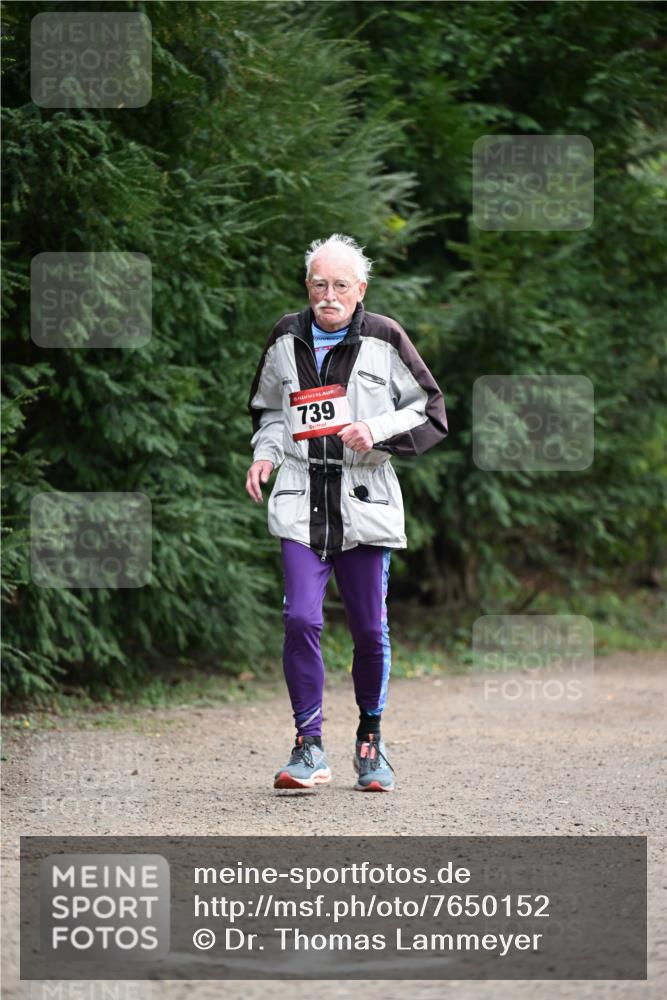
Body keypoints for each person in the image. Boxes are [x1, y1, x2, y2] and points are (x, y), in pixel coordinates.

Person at [246, 234, 448, 792]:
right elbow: (267, 410)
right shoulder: (286, 337)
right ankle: (308, 746)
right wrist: (265, 456)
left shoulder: (385, 337)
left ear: (361, 289)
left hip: (365, 500)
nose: (328, 295)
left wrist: (376, 430)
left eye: (340, 285)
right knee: (301, 618)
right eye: (319, 284)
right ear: (307, 287)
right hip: (299, 500)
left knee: (369, 629)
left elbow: (430, 409)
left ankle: (370, 742)